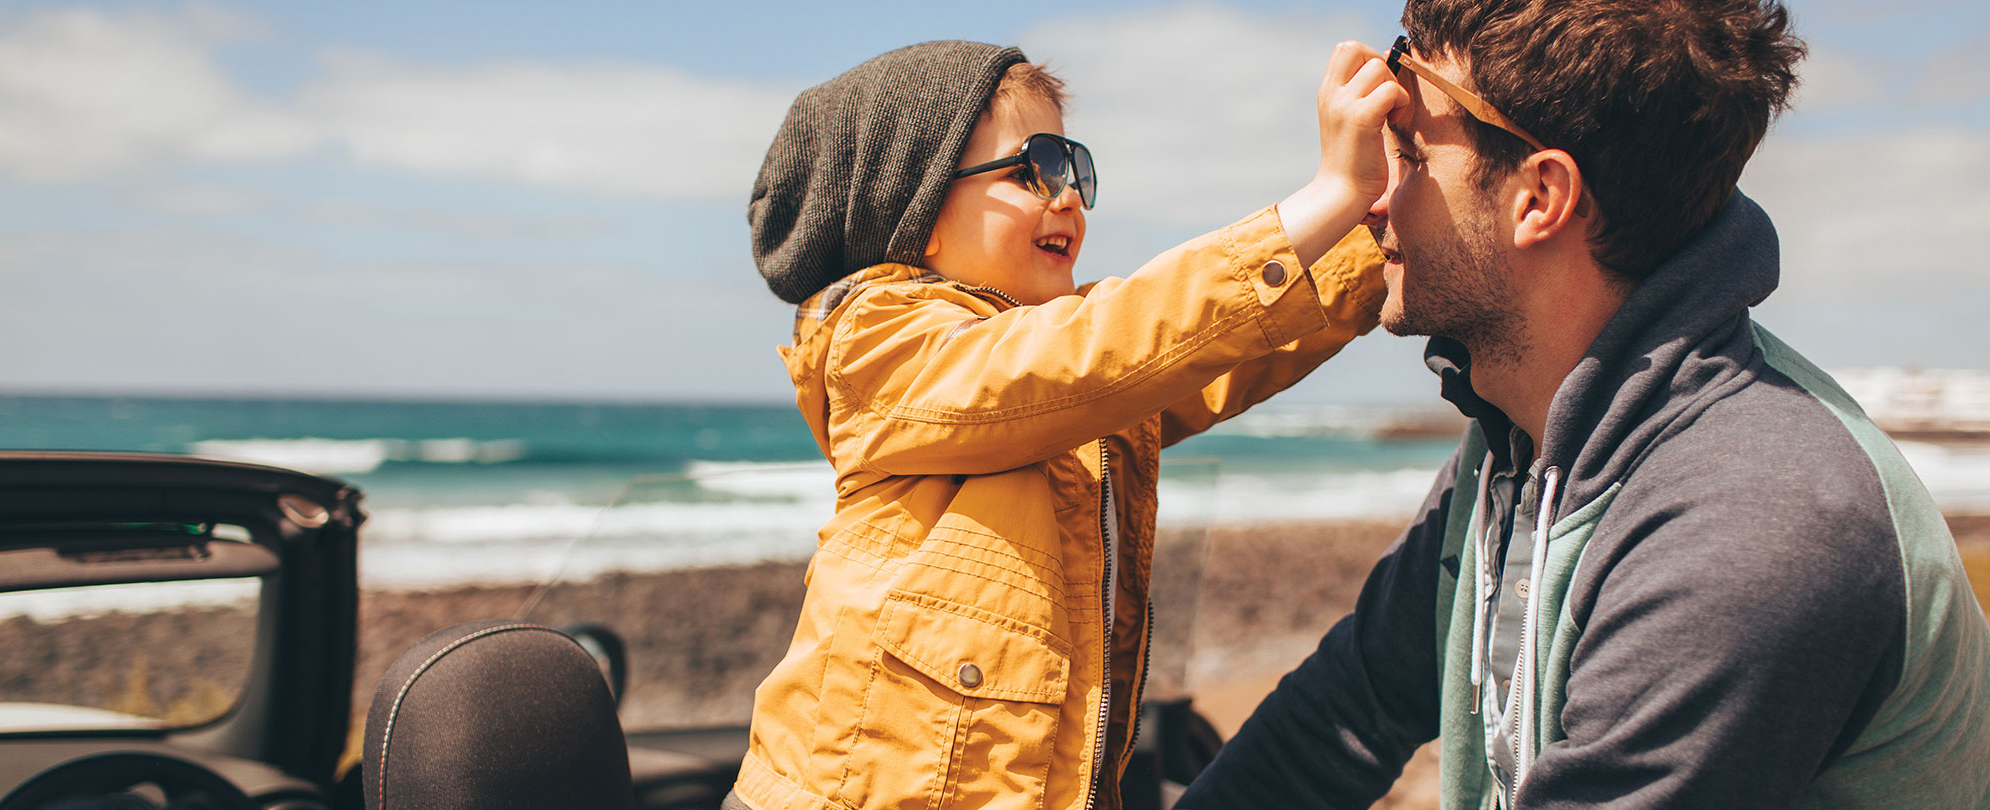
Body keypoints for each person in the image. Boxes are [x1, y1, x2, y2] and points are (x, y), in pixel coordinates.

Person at [1176, 1, 1990, 808]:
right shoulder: (1519, 442)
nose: (1369, 199)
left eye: (1409, 156)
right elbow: (1337, 723)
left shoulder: (1749, 524)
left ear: (1541, 197)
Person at [730, 40, 1402, 810]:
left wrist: (1376, 241)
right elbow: (1094, 351)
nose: (1068, 196)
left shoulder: (1071, 370)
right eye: (1034, 169)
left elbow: (1210, 356)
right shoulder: (879, 346)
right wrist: (1328, 195)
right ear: (911, 209)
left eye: (1074, 170)